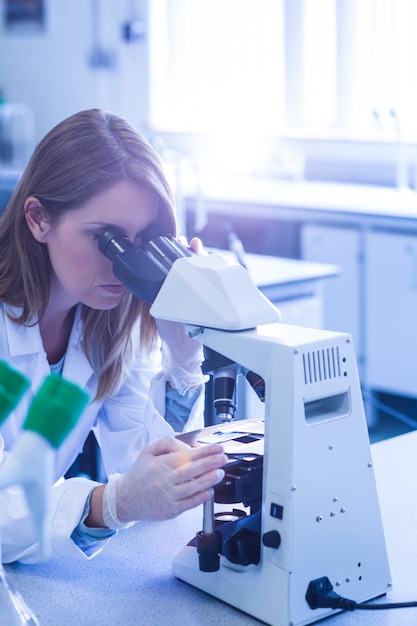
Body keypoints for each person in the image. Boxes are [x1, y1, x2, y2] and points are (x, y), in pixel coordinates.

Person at [0, 109, 227, 563]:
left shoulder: (110, 322)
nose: (124, 265)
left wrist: (183, 360)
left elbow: (142, 468)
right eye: (108, 239)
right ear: (39, 219)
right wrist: (111, 504)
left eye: (143, 241)